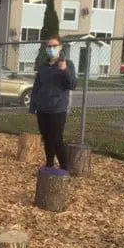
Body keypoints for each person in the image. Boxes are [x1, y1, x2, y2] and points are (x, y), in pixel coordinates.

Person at [29, 35, 77, 170]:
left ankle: (64, 167)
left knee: (57, 138)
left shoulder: (68, 64)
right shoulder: (43, 66)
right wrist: (33, 107)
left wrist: (64, 70)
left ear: (60, 47)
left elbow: (72, 85)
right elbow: (37, 86)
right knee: (47, 138)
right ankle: (49, 164)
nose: (51, 49)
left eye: (54, 46)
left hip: (58, 108)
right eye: (49, 46)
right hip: (42, 108)